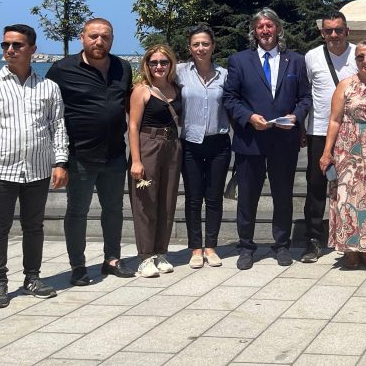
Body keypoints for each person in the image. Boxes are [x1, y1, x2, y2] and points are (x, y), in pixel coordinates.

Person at [0, 24, 68, 308]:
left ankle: (32, 277)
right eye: (5, 45)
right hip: (0, 171)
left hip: (37, 169)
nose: (10, 50)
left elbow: (57, 127)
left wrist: (60, 162)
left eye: (17, 45)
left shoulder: (48, 87)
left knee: (34, 227)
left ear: (32, 50)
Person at [47, 18, 135, 284]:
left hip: (115, 154)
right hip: (79, 156)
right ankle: (78, 266)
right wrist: (57, 159)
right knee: (77, 212)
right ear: (82, 38)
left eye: (105, 36)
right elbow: (48, 110)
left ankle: (112, 260)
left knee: (114, 210)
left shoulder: (122, 67)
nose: (100, 41)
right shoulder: (62, 70)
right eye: (94, 36)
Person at [223, 8, 312, 269]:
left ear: (278, 29)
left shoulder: (295, 61)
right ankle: (247, 247)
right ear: (254, 31)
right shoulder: (239, 61)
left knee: (282, 194)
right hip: (251, 139)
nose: (265, 31)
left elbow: (305, 97)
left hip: (284, 140)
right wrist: (249, 117)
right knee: (247, 196)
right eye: (260, 26)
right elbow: (230, 98)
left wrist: (296, 116)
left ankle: (282, 245)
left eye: (270, 26)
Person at [320, 40, 366, 268]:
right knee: (346, 198)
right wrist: (327, 151)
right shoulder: (345, 85)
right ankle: (349, 249)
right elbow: (335, 119)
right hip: (347, 146)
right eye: (360, 57)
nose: (365, 61)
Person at [301, 13, 357, 263]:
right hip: (319, 131)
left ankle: (351, 239)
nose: (333, 35)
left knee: (352, 187)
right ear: (322, 33)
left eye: (338, 30)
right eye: (328, 31)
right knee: (316, 187)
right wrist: (301, 127)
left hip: (353, 132)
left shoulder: (359, 54)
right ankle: (313, 239)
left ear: (347, 31)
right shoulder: (312, 57)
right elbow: (305, 93)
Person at [177, 24, 231, 269]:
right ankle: (195, 248)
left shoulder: (225, 75)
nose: (201, 48)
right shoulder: (178, 73)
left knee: (214, 198)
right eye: (196, 44)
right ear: (190, 47)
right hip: (191, 142)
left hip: (219, 142)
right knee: (193, 198)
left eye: (205, 44)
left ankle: (211, 246)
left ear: (213, 46)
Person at [128, 45, 184, 278]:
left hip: (172, 147)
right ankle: (145, 256)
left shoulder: (177, 89)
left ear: (171, 64)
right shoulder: (141, 90)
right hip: (148, 144)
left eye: (163, 62)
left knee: (167, 200)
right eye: (154, 63)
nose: (159, 66)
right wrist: (136, 160)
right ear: (147, 65)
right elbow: (132, 126)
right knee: (146, 202)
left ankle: (160, 251)